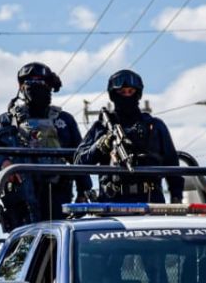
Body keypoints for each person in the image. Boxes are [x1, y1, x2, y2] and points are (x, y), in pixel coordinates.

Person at [0, 62, 86, 229]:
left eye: (41, 82)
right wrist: (4, 164)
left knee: (57, 242)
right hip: (22, 197)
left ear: (50, 85)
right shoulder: (8, 121)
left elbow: (79, 157)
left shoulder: (64, 121)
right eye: (30, 83)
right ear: (21, 87)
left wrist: (83, 192)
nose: (36, 87)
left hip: (57, 193)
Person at [75, 69, 184, 203]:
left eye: (130, 92)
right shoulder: (102, 127)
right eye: (122, 92)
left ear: (137, 94)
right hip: (112, 202)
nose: (126, 96)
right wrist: (99, 147)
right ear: (114, 95)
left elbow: (172, 164)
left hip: (151, 200)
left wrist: (176, 197)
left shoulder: (154, 126)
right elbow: (78, 162)